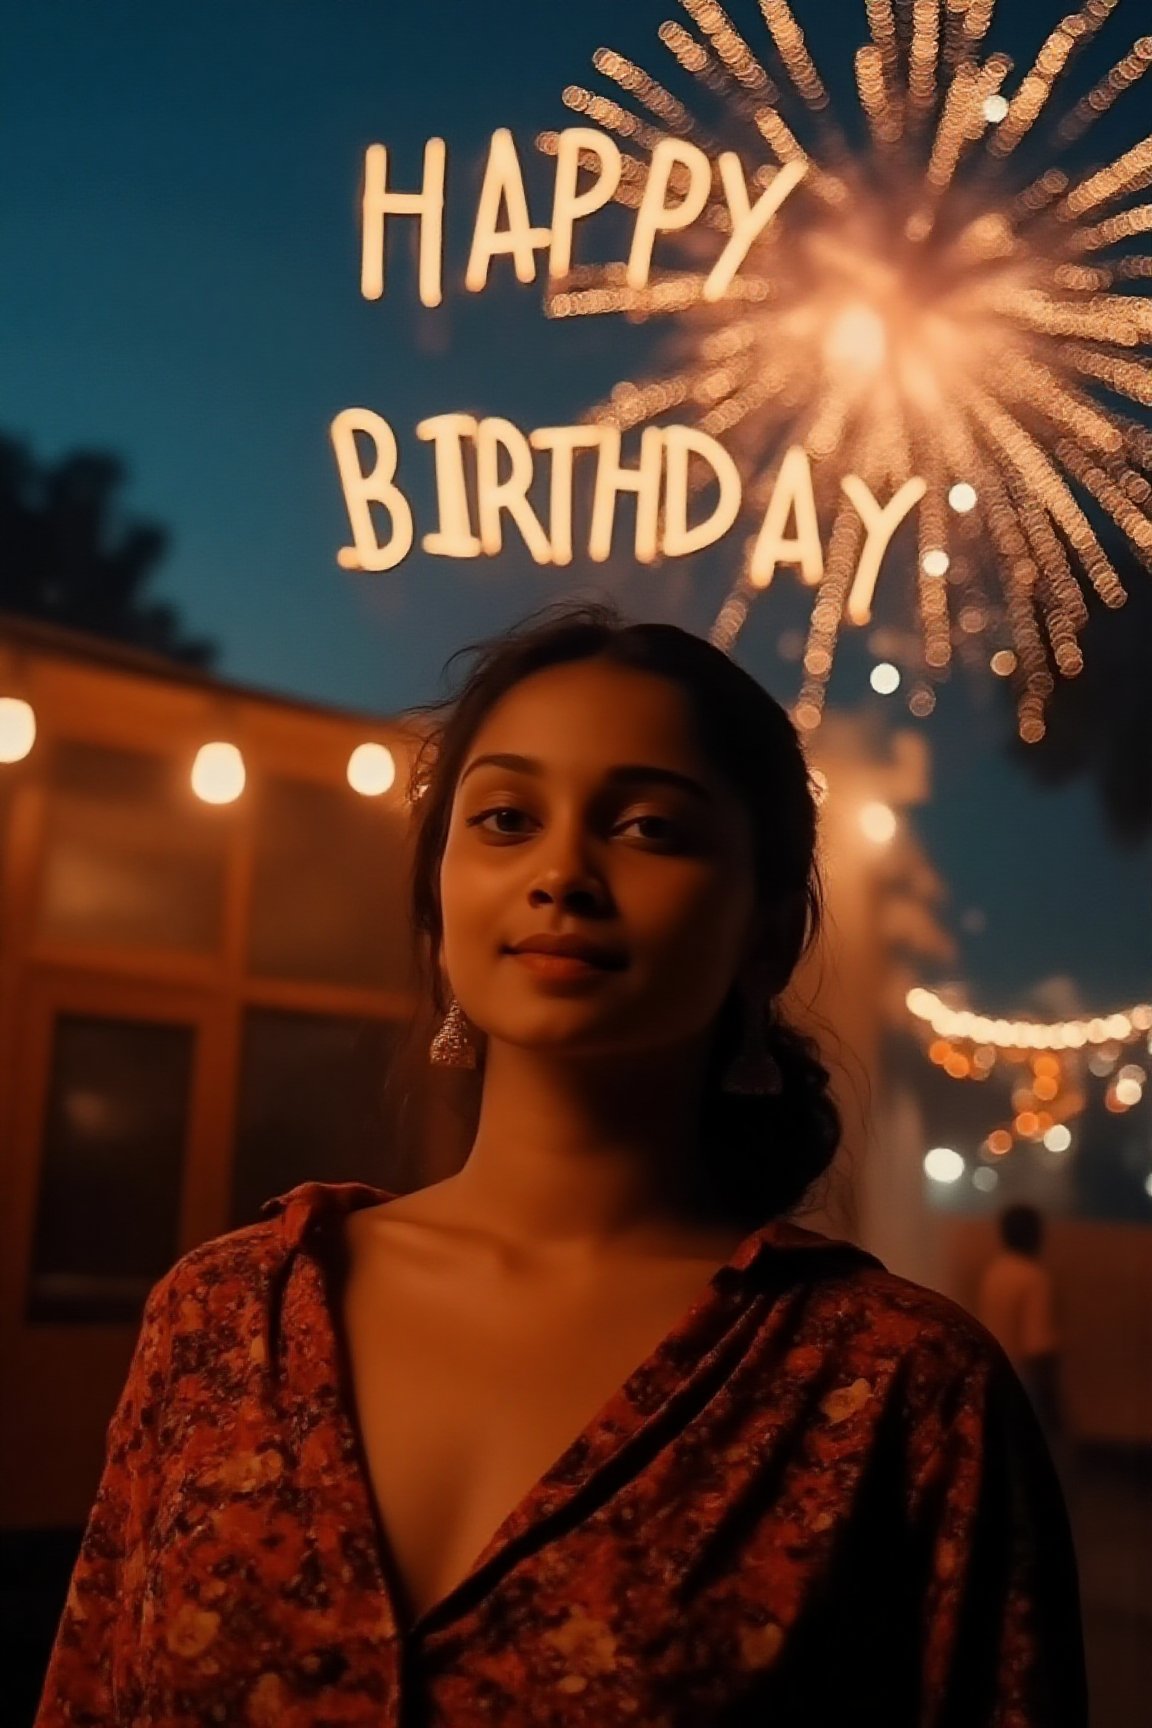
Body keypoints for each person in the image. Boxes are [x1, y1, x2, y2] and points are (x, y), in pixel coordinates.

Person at [35, 600, 1088, 1726]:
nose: (562, 872)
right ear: (437, 907)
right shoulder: (219, 1319)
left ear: (768, 934)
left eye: (647, 828)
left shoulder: (902, 1393)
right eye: (503, 818)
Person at [977, 1202, 1074, 1494]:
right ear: (1036, 1235)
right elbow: (1038, 1345)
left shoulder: (995, 1272)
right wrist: (1054, 1401)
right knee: (1038, 1476)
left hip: (994, 1378)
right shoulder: (1034, 1278)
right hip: (1026, 1382)